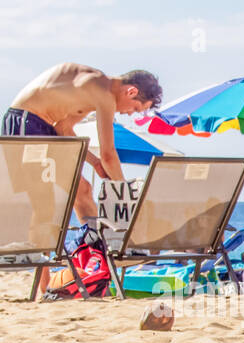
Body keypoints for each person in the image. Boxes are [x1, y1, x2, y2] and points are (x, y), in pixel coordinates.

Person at [6, 64, 161, 294]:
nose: (130, 114)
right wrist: (125, 194)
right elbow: (109, 153)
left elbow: (63, 128)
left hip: (47, 127)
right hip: (25, 120)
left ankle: (96, 271)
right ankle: (44, 288)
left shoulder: (89, 93)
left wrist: (94, 162)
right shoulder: (103, 92)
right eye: (136, 108)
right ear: (131, 91)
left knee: (83, 190)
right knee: (44, 204)